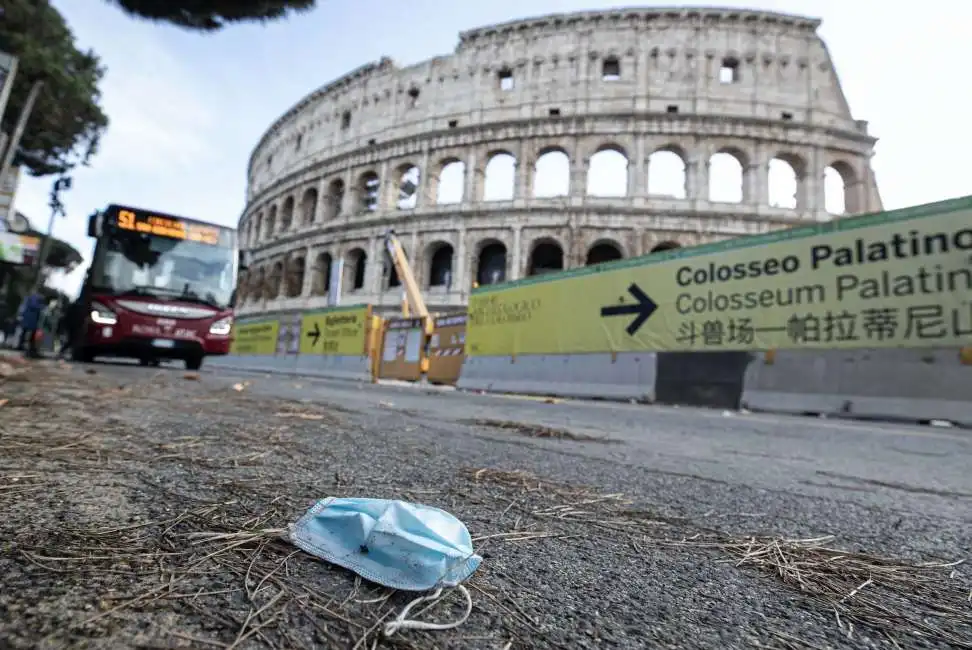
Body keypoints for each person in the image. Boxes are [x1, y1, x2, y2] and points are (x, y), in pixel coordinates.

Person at [18, 291, 46, 359]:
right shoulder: (35, 299)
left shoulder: (29, 299)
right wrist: (42, 306)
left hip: (29, 319)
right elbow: (35, 307)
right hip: (31, 320)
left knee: (25, 333)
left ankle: (24, 346)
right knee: (31, 334)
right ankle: (30, 349)